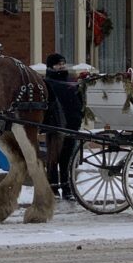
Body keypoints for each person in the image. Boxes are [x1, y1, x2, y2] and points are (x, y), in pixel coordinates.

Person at [42, 53, 83, 200]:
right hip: (56, 124)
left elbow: (78, 100)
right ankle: (53, 188)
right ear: (51, 66)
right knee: (53, 158)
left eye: (63, 63)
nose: (61, 66)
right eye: (58, 64)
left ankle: (66, 188)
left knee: (67, 159)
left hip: (72, 123)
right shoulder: (48, 83)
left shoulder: (70, 81)